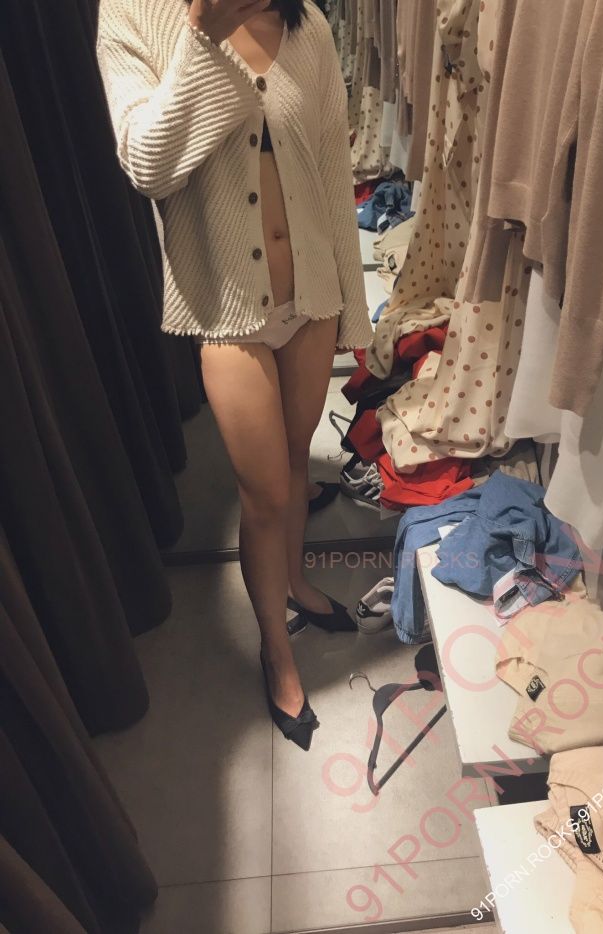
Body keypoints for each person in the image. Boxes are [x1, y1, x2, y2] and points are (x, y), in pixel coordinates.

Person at [97, 0, 372, 750]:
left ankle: (299, 584)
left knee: (296, 463)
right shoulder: (132, 17)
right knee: (265, 494)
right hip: (227, 313)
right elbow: (147, 167)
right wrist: (202, 39)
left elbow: (334, 173)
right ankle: (276, 650)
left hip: (312, 300)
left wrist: (353, 316)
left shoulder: (305, 25)